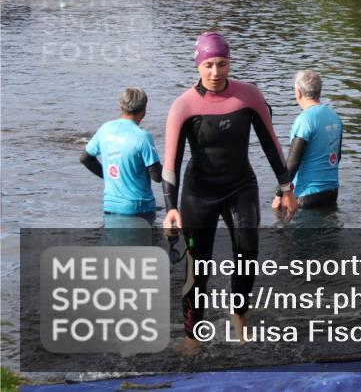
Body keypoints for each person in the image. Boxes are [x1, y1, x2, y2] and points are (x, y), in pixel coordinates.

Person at [161, 31, 296, 352]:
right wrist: (170, 206)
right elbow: (171, 162)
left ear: (229, 62)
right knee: (199, 265)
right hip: (199, 192)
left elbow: (271, 144)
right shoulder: (184, 105)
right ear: (198, 65)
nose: (215, 72)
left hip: (240, 187)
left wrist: (286, 187)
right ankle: (192, 335)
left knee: (248, 252)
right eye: (208, 64)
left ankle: (239, 315)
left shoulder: (248, 96)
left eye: (221, 64)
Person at [80, 88, 162, 238]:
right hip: (139, 207)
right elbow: (157, 176)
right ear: (144, 110)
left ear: (120, 106)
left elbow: (85, 158)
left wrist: (108, 175)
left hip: (110, 205)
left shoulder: (105, 129)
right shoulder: (142, 137)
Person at [270, 70, 343, 212]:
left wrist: (279, 194)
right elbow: (337, 155)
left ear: (298, 92)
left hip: (307, 194)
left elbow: (293, 163)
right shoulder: (335, 117)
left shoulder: (305, 120)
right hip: (332, 192)